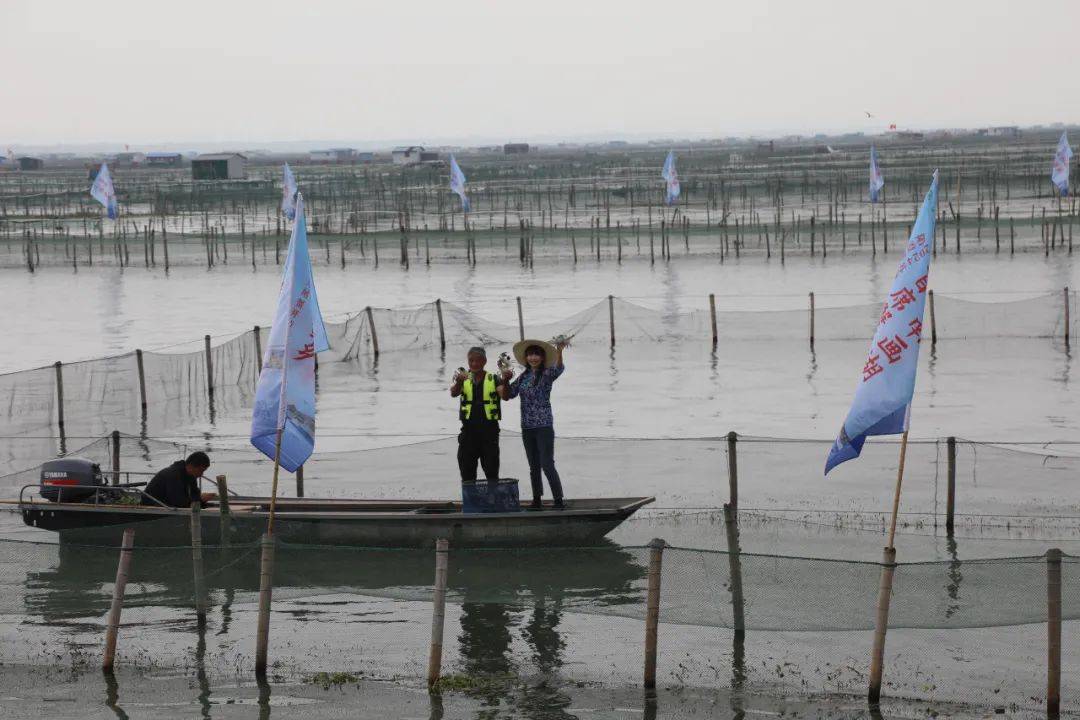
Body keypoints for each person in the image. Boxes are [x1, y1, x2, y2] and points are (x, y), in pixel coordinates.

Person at [507, 338, 567, 510]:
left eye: (536, 355)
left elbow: (559, 369)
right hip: (526, 427)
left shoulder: (547, 374)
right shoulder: (523, 377)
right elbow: (510, 393)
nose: (533, 358)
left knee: (547, 464)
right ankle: (536, 500)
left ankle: (558, 500)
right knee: (533, 466)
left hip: (544, 426)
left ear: (542, 357)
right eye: (530, 355)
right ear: (526, 358)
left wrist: (560, 351)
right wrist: (503, 378)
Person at [450, 347, 511, 483]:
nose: (474, 364)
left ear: (484, 361)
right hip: (468, 432)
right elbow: (453, 393)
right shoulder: (462, 376)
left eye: (478, 360)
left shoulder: (494, 378)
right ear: (468, 361)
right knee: (467, 473)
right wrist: (459, 380)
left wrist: (506, 381)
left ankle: (492, 501)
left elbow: (505, 396)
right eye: (471, 361)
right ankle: (472, 502)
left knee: (491, 472)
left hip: (489, 433)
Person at [144, 451, 216, 508]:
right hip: (152, 507)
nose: (201, 474)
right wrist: (200, 499)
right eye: (201, 470)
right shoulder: (173, 475)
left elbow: (194, 495)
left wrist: (202, 500)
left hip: (167, 505)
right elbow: (178, 502)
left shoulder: (190, 475)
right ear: (191, 466)